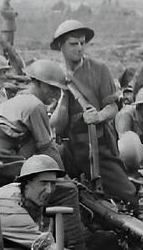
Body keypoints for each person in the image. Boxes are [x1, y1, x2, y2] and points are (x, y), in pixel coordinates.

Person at [0, 59, 87, 250]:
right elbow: (47, 148)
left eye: (58, 91)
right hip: (1, 158)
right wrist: (63, 177)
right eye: (51, 88)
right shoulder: (34, 105)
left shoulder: (17, 100)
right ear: (36, 83)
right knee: (66, 190)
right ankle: (75, 249)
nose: (55, 95)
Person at [49, 20, 137, 206]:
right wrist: (64, 98)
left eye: (82, 43)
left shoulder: (99, 69)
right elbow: (56, 126)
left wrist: (98, 116)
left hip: (97, 143)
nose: (80, 48)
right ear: (60, 46)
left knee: (128, 195)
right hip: (68, 147)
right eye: (74, 44)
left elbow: (112, 108)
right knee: (55, 191)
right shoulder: (55, 74)